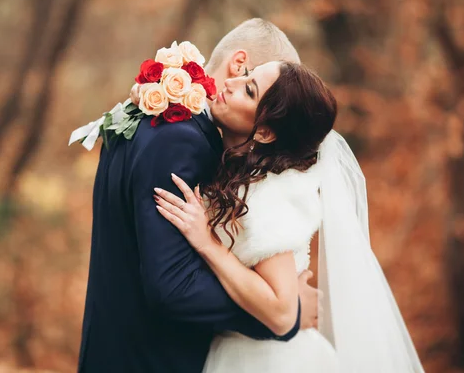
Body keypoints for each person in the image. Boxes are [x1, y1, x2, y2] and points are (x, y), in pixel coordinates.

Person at [77, 19, 321, 373]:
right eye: (253, 83)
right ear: (239, 65)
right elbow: (174, 288)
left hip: (112, 349)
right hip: (150, 359)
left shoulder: (151, 117)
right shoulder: (181, 138)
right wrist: (285, 314)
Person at [154, 61, 425, 372]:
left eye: (249, 90)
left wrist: (207, 244)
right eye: (245, 76)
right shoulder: (242, 179)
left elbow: (283, 315)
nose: (231, 83)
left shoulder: (265, 195)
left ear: (266, 132)